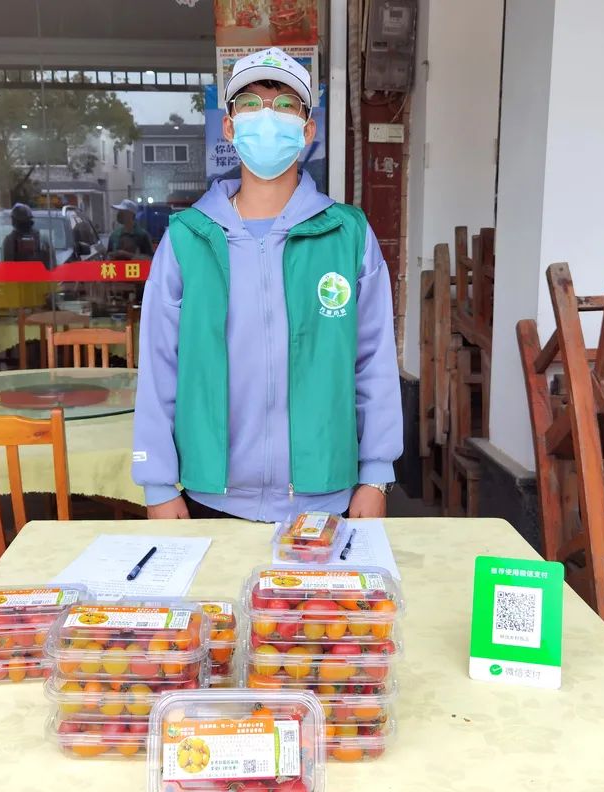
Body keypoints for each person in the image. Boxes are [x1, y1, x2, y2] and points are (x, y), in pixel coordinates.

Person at [132, 47, 402, 522]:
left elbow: (373, 360)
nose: (267, 118)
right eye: (251, 105)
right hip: (211, 495)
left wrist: (376, 475)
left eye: (285, 106)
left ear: (308, 130)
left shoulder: (347, 235)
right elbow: (159, 366)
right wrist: (158, 484)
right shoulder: (188, 238)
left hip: (326, 495)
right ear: (230, 127)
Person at [2, 202, 53, 269]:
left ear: (14, 221)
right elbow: (51, 264)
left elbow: (7, 266)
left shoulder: (9, 240)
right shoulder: (42, 238)